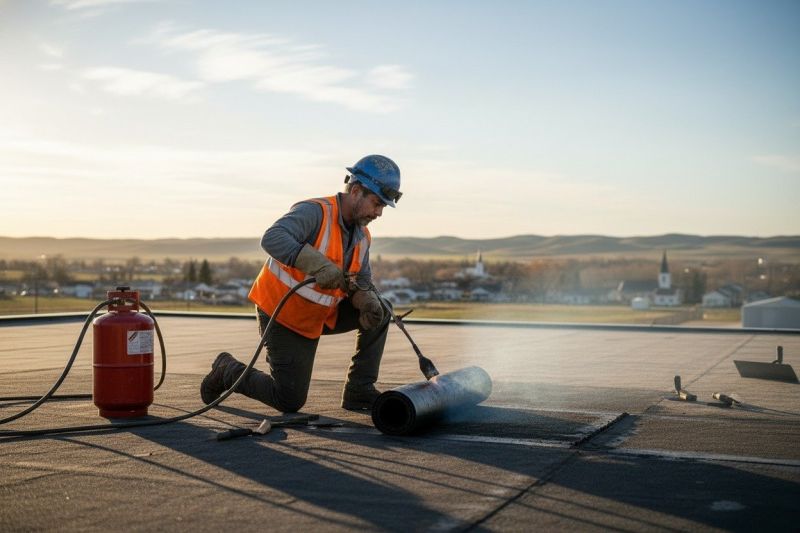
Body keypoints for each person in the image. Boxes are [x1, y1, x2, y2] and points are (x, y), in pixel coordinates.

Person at [199, 155, 402, 412]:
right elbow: (272, 238)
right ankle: (227, 370)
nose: (379, 212)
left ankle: (359, 391)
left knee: (381, 309)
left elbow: (361, 280)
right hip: (283, 314)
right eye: (376, 203)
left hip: (320, 314)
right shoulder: (315, 212)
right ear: (355, 191)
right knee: (289, 399)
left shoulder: (363, 236)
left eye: (383, 206)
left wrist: (366, 299)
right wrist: (318, 264)